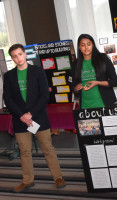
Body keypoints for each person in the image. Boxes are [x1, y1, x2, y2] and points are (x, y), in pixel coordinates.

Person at [3, 44, 66, 193]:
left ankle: (58, 177)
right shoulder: (9, 76)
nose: (18, 58)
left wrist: (30, 114)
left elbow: (44, 95)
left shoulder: (37, 71)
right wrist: (22, 116)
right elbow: (8, 99)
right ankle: (27, 181)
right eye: (14, 56)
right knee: (25, 151)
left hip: (38, 117)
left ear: (25, 54)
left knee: (48, 148)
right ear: (12, 58)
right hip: (20, 120)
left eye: (20, 54)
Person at [71, 34, 117, 109]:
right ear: (79, 47)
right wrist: (76, 88)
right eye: (83, 45)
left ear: (93, 45)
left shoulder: (103, 59)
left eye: (88, 44)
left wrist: (97, 83)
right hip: (85, 106)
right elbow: (73, 85)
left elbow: (115, 82)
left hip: (105, 104)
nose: (86, 47)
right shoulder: (75, 64)